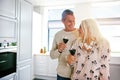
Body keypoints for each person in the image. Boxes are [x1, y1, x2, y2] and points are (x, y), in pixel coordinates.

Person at [50, 9, 79, 80]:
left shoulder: (79, 33)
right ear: (63, 21)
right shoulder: (58, 35)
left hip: (77, 73)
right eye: (69, 21)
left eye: (73, 20)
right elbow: (52, 55)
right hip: (62, 75)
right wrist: (59, 50)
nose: (72, 23)